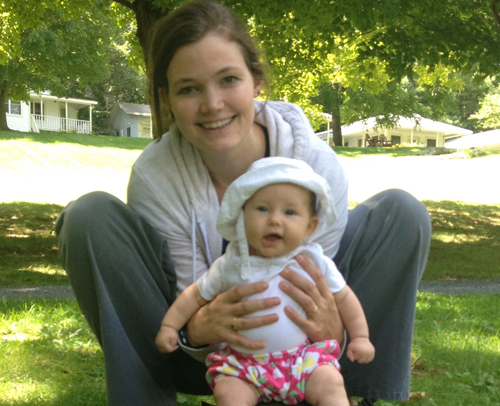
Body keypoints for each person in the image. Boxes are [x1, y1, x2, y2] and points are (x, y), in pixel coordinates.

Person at [54, 1, 431, 405]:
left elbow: (316, 282)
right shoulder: (155, 175)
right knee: (88, 216)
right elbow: (192, 298)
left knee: (401, 212)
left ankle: (347, 395)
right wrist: (194, 330)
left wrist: (336, 332)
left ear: (257, 82)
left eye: (228, 79)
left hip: (306, 351)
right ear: (166, 99)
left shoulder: (315, 163)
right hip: (197, 352)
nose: (212, 104)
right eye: (189, 88)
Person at [155, 157, 375, 406]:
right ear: (242, 217)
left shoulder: (313, 261)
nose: (275, 220)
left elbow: (344, 297)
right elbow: (195, 295)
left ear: (309, 227)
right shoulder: (232, 264)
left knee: (330, 383)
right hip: (244, 365)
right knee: (229, 392)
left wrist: (360, 337)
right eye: (262, 209)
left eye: (290, 212)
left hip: (302, 360)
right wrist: (170, 327)